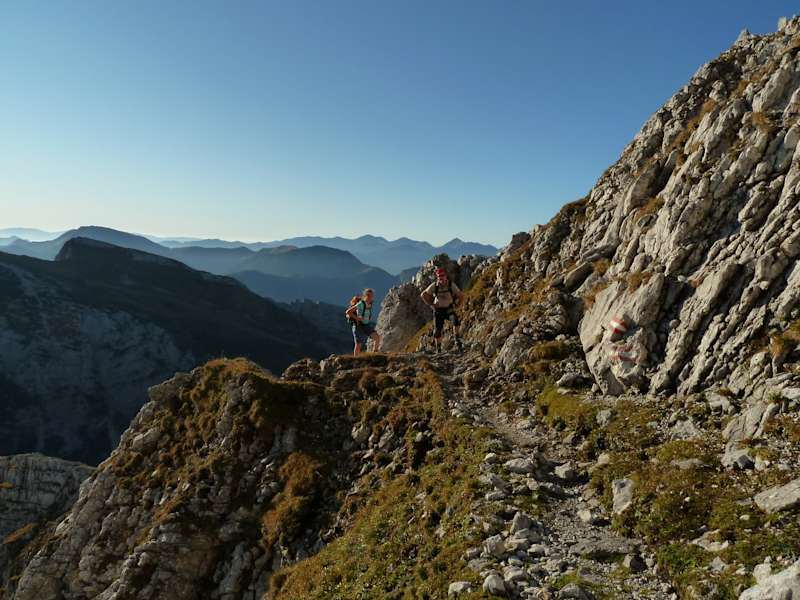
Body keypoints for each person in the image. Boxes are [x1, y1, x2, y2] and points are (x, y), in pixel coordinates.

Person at [421, 267, 465, 353]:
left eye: (442, 275)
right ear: (437, 277)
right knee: (437, 331)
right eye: (439, 276)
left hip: (449, 309)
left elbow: (461, 295)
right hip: (438, 311)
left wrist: (457, 305)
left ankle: (457, 340)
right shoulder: (435, 285)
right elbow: (423, 295)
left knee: (455, 321)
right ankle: (439, 349)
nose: (441, 277)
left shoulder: (451, 285)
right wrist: (431, 304)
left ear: (445, 276)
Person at [346, 288, 381, 355]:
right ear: (365, 296)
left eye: (371, 295)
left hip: (366, 325)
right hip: (358, 326)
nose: (370, 297)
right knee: (358, 345)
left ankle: (375, 353)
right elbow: (348, 312)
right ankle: (355, 359)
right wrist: (357, 318)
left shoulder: (369, 304)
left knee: (377, 337)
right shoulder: (361, 304)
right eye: (369, 295)